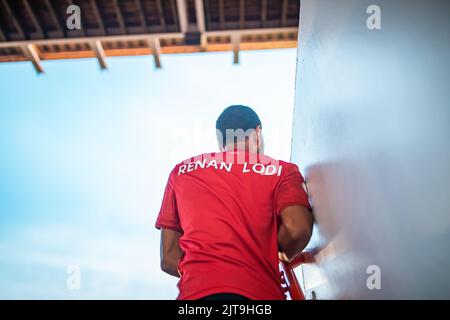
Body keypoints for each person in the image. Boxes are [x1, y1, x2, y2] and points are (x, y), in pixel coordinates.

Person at [155, 105, 314, 300]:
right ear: (258, 133)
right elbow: (298, 228)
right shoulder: (282, 171)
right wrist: (276, 253)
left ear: (221, 142)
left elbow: (168, 258)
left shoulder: (181, 171)